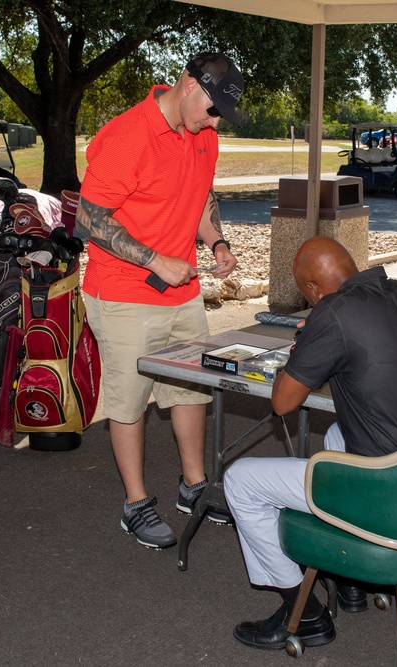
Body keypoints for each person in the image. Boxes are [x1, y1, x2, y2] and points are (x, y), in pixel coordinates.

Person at [223, 236, 397, 652]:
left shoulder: (333, 312)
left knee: (240, 480)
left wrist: (307, 345)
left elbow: (282, 403)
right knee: (335, 436)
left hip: (391, 490)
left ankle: (304, 613)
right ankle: (350, 582)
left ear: (313, 290)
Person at [75, 52, 244, 549]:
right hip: (124, 292)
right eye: (213, 110)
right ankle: (135, 504)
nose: (215, 123)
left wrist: (217, 242)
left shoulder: (204, 137)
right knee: (129, 401)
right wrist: (154, 260)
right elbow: (88, 217)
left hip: (184, 293)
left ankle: (193, 487)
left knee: (190, 390)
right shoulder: (130, 134)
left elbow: (200, 199)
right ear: (190, 84)